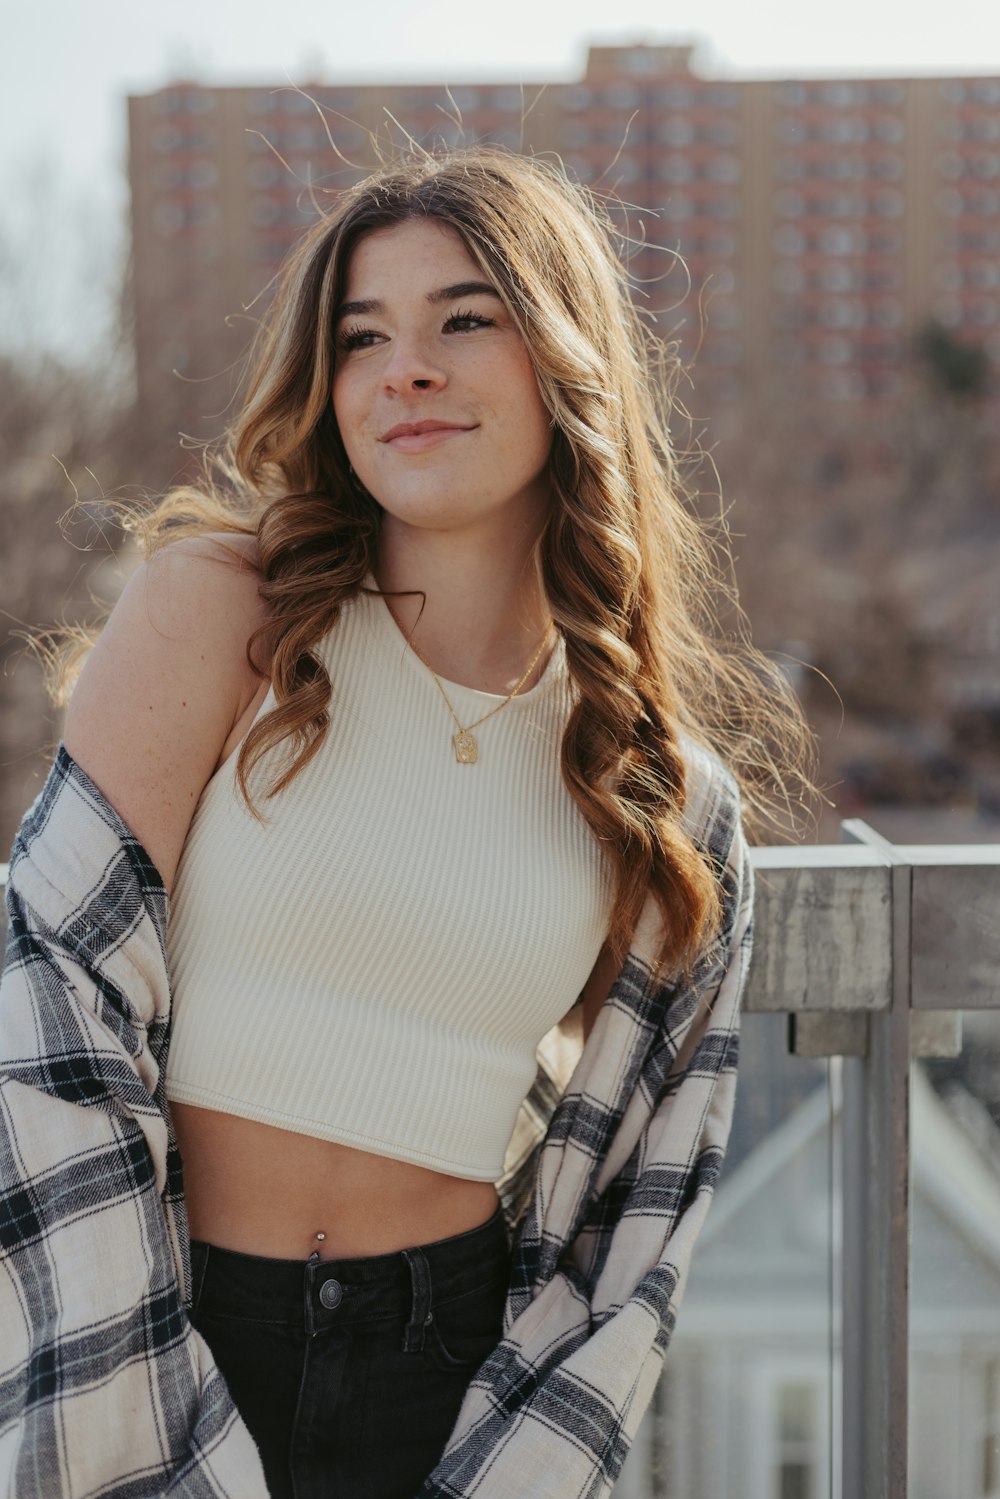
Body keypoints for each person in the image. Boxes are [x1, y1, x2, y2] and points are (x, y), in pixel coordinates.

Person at [0, 147, 813, 1498]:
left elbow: (634, 1226)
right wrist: (146, 1417)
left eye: (464, 320)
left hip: (454, 1373)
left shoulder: (657, 786)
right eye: (362, 336)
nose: (406, 370)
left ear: (564, 358)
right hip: (151, 1322)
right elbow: (45, 997)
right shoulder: (227, 610)